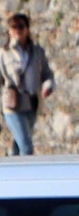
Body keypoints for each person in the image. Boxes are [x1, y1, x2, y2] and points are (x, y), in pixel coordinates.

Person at [2, 13, 57, 157]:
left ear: (27, 29)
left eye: (21, 26)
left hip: (32, 103)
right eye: (14, 27)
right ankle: (27, 176)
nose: (18, 30)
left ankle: (9, 174)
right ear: (9, 30)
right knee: (26, 147)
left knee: (17, 146)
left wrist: (48, 86)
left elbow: (47, 73)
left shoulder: (37, 52)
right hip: (12, 104)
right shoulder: (4, 53)